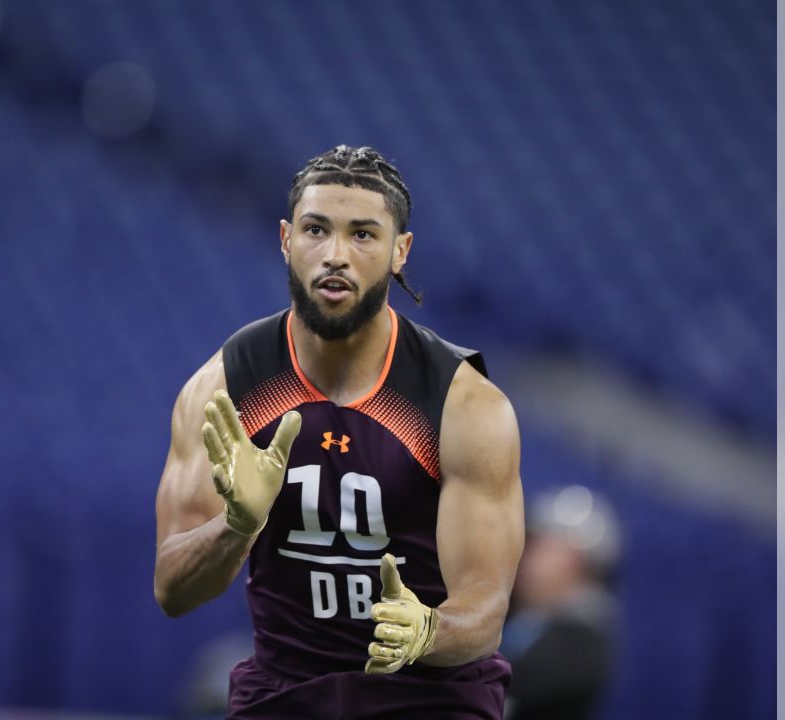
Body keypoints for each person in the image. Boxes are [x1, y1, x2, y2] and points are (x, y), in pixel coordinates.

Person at [153, 145, 525, 719]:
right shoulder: (225, 388)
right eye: (316, 230)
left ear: (400, 251)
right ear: (285, 240)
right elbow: (173, 591)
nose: (335, 255)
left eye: (363, 235)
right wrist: (236, 527)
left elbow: (486, 610)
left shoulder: (463, 404)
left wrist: (426, 630)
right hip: (285, 691)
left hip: (429, 696)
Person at [501, 486, 620, 720]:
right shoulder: (523, 615)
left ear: (571, 561)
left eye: (540, 547)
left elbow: (511, 687)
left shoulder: (583, 645)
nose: (526, 555)